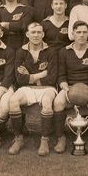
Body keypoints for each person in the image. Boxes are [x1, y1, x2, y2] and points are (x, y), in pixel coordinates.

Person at [53, 20, 88, 154]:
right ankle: (61, 137)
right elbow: (61, 75)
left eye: (84, 32)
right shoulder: (63, 51)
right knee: (58, 102)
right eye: (78, 32)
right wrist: (65, 88)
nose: (81, 35)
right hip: (70, 86)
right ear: (73, 34)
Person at [8, 22, 58, 156]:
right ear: (27, 34)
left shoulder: (51, 51)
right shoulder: (20, 52)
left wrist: (29, 76)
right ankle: (18, 138)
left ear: (43, 34)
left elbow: (52, 78)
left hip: (47, 88)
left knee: (47, 103)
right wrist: (41, 74)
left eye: (39, 32)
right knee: (13, 101)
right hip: (26, 88)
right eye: (33, 32)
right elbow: (20, 79)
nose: (36, 35)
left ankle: (44, 139)